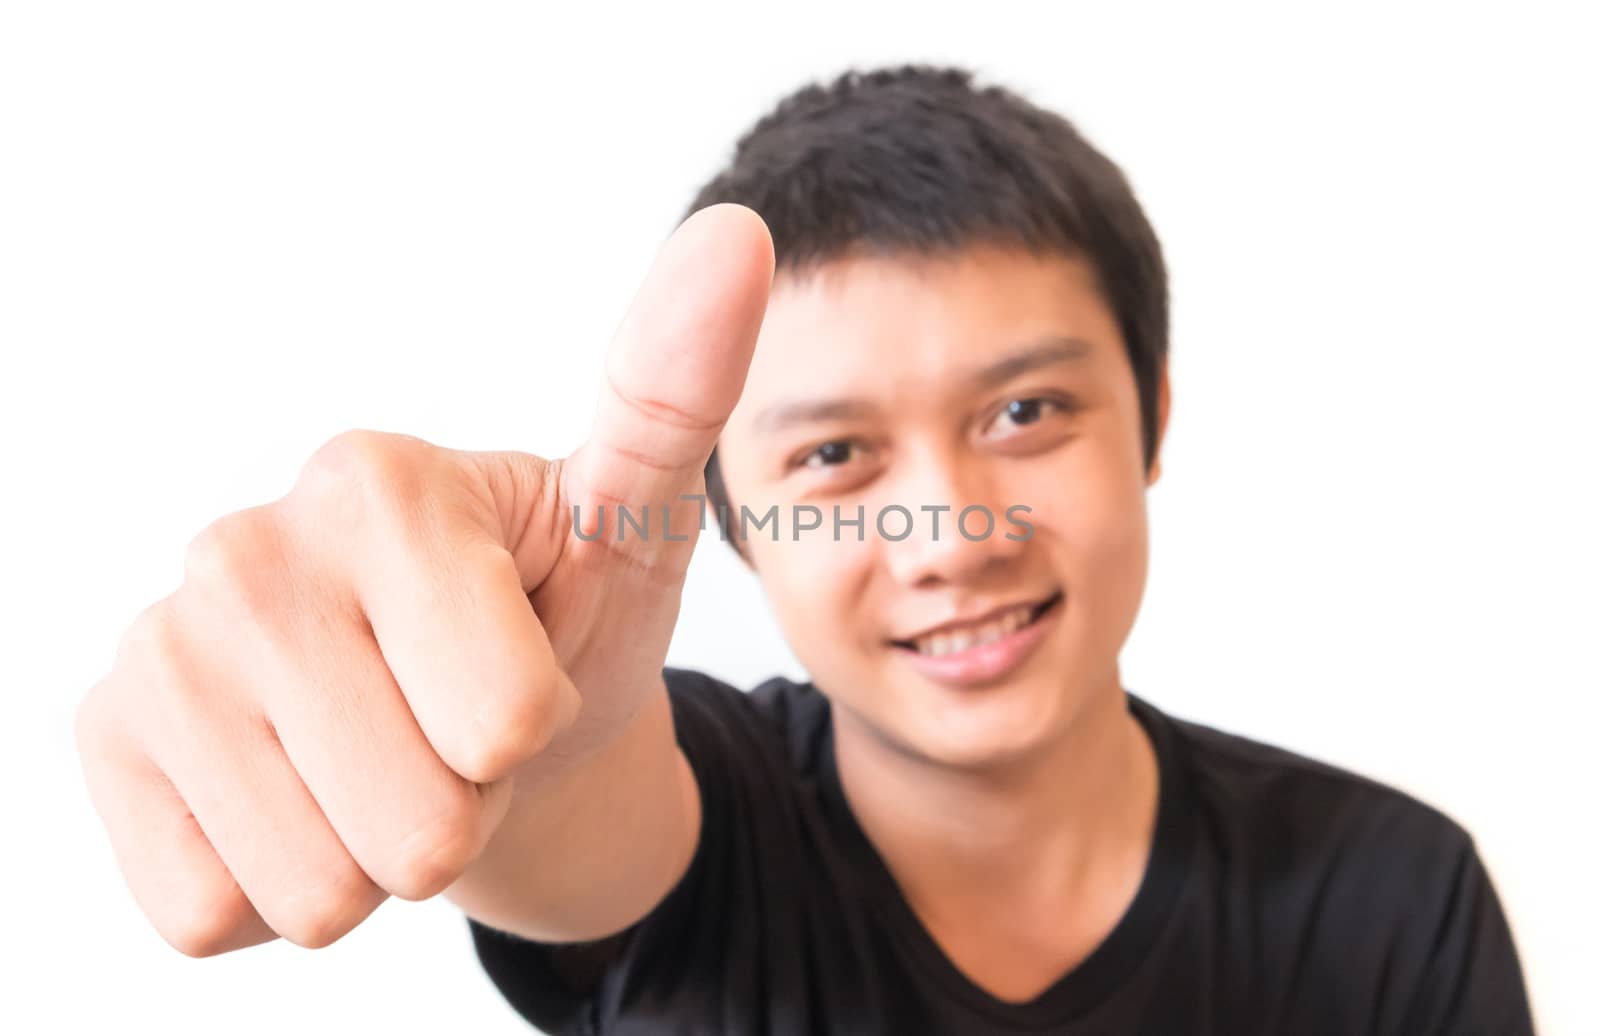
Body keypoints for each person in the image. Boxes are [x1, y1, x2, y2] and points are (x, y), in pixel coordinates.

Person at [74, 64, 1534, 1035]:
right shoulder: (701, 818)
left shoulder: (1395, 897)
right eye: (834, 456)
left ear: (1149, 415)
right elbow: (583, 811)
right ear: (728, 519)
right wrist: (501, 751)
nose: (955, 535)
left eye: (1026, 411)